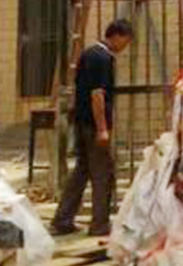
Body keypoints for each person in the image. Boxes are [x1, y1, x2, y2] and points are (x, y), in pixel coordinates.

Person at [51, 18, 133, 237]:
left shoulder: (88, 54)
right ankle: (99, 224)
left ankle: (63, 219)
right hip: (93, 124)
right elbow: (97, 95)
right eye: (125, 41)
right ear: (117, 35)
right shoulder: (102, 58)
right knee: (103, 173)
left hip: (81, 122)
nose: (125, 47)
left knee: (81, 171)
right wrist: (102, 128)